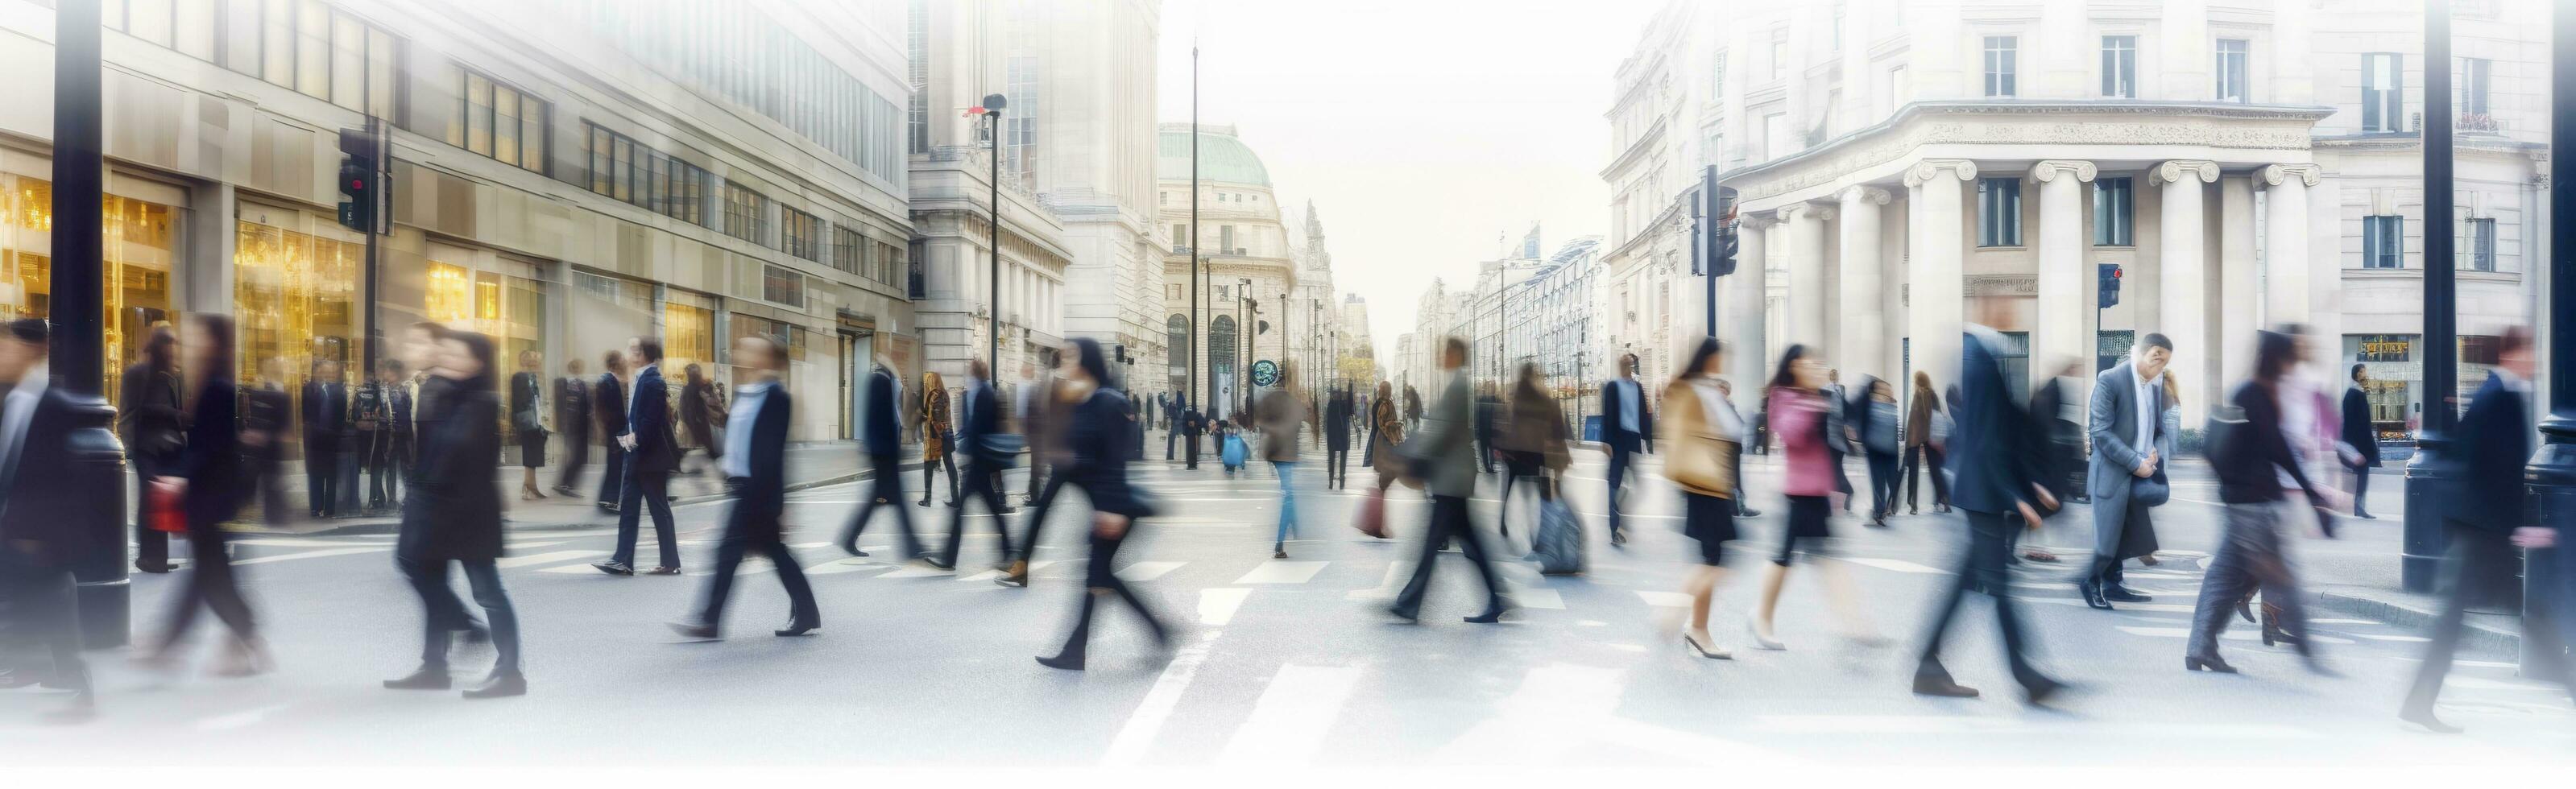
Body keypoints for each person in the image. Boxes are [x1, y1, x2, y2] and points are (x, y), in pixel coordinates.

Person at [2402, 327, 2574, 733]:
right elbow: (2492, 470)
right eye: (2530, 353)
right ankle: (2419, 702)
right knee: (2530, 618)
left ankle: (2418, 702)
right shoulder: (2499, 397)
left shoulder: (2496, 393)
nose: (2534, 362)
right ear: (2514, 353)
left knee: (2504, 618)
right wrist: (2521, 526)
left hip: (2481, 531)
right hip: (2485, 534)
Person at [1912, 312, 2065, 704]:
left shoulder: (1984, 351)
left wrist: (2028, 481)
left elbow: (2002, 429)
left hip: (1984, 488)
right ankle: (2027, 677)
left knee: (1967, 581)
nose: (2010, 306)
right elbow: (1983, 437)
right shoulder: (1977, 355)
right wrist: (2015, 493)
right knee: (1999, 587)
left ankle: (1929, 665)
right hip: (1984, 489)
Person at [2186, 328, 2346, 677]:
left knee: (2223, 575)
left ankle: (2201, 646)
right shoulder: (2258, 394)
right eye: (2288, 359)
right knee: (2282, 575)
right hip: (2256, 503)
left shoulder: (2247, 391)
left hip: (2240, 500)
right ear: (2278, 359)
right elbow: (2278, 449)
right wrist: (2312, 492)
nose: (2292, 366)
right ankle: (2308, 650)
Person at [383, 327, 525, 700]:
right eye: (447, 354)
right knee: (433, 580)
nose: (448, 360)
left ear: (477, 363)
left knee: (488, 592)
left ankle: (510, 672)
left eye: (457, 356)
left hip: (470, 513)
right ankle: (434, 667)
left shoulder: (479, 399)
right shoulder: (444, 392)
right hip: (441, 511)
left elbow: (454, 449)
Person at [140, 314, 271, 678]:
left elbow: (212, 446)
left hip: (210, 497)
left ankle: (175, 645)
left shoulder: (218, 388)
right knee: (210, 576)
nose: (192, 344)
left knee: (209, 577)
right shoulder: (213, 385)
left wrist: (181, 476)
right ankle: (242, 640)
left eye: (199, 337)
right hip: (211, 496)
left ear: (215, 342)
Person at [671, 334, 820, 640]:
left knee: (728, 554)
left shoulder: (777, 397)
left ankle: (709, 621)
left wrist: (777, 503)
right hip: (741, 485)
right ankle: (806, 612)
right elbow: (739, 438)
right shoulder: (745, 393)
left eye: (751, 350)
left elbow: (774, 453)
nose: (742, 352)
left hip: (759, 490)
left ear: (767, 358)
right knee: (775, 554)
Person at [1035, 338, 1169, 671]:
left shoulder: (1108, 401)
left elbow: (1115, 459)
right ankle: (1080, 649)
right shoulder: (1087, 399)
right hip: (1103, 505)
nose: (1064, 362)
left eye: (1070, 356)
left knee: (1099, 575)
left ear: (1086, 361)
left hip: (1114, 506)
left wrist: (1110, 509)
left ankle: (1156, 630)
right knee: (1098, 576)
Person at [0, 319, 100, 721]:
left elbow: (63, 478)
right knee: (33, 602)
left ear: (31, 350)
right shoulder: (12, 400)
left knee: (54, 609)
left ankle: (83, 691)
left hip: (40, 534)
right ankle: (35, 664)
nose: (2, 355)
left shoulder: (55, 405)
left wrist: (41, 535)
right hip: (15, 528)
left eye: (6, 347)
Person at [1749, 345, 1877, 650]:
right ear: (1794, 367)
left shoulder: (1822, 398)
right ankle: (1762, 617)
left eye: (1817, 365)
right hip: (1797, 491)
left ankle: (1854, 624)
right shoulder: (1783, 396)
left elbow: (1840, 434)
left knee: (1827, 559)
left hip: (1818, 489)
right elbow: (1791, 434)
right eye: (1809, 365)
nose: (1815, 370)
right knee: (1783, 559)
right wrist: (1814, 406)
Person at [1389, 337, 1508, 625]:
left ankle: (1410, 603)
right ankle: (1497, 598)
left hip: (1452, 478)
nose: (1441, 356)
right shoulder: (1457, 384)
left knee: (1432, 544)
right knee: (1462, 542)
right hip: (1453, 478)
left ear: (1456, 355)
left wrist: (1412, 456)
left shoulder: (1458, 386)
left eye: (1446, 352)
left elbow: (1443, 433)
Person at [2080, 333, 2173, 610]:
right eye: (2160, 359)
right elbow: (2100, 433)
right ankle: (2090, 581)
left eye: (2165, 362)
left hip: (2138, 472)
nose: (2162, 367)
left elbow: (2156, 430)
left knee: (2126, 532)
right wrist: (2135, 461)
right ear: (2149, 354)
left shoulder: (2153, 387)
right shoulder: (2110, 379)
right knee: (2107, 538)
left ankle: (2113, 584)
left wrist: (2153, 451)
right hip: (2112, 473)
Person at [1661, 338, 1738, 660]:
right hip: (1704, 483)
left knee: (1714, 557)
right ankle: (1683, 619)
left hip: (1710, 484)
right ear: (1710, 359)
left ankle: (1696, 627)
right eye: (1721, 357)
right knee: (1717, 559)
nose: (1724, 363)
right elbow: (1728, 430)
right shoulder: (1696, 390)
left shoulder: (1702, 388)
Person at [594, 337, 681, 576]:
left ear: (644, 355)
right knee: (629, 509)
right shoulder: (641, 377)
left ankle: (670, 562)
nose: (629, 353)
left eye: (634, 349)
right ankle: (623, 560)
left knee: (659, 509)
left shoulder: (653, 380)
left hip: (650, 458)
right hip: (638, 456)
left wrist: (633, 439)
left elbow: (651, 422)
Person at [839, 360, 923, 560]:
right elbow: (882, 420)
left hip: (882, 451)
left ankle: (850, 538)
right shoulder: (881, 381)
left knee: (881, 500)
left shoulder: (880, 380)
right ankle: (912, 547)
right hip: (884, 453)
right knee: (891, 500)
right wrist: (892, 449)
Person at [938, 359, 1016, 573]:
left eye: (970, 372)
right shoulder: (985, 393)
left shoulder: (984, 394)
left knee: (964, 511)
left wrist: (965, 448)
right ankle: (1008, 553)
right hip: (982, 462)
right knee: (991, 511)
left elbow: (979, 428)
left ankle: (948, 558)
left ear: (976, 373)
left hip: (980, 462)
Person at [123, 327, 186, 572]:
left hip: (166, 449)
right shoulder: (137, 373)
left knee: (162, 501)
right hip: (146, 448)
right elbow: (130, 411)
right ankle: (148, 556)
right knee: (149, 502)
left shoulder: (169, 377)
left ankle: (159, 557)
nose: (173, 349)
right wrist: (131, 446)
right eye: (169, 343)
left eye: (175, 343)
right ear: (158, 346)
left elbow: (173, 413)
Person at [2020, 361, 2087, 564]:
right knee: (2047, 505)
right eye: (2076, 368)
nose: (2079, 372)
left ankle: (2035, 546)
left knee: (2046, 506)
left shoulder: (2051, 389)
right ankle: (2036, 547)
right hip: (2049, 459)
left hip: (2048, 458)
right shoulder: (2053, 389)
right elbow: (2047, 423)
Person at [1496, 364, 1570, 542]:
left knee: (1509, 488)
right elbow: (1552, 423)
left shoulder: (1518, 395)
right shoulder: (1541, 397)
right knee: (1539, 492)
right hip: (1536, 451)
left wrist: (1505, 447)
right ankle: (1539, 533)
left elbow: (1512, 424)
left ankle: (1503, 521)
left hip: (1517, 451)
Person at [1599, 353, 1655, 546]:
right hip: (1618, 440)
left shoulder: (1638, 387)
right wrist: (1606, 442)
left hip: (1633, 439)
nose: (1626, 366)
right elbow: (1607, 416)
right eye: (1623, 363)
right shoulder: (1613, 386)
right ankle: (1614, 528)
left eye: (1628, 364)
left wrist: (1648, 440)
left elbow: (1644, 414)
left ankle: (1621, 513)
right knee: (1614, 483)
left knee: (1637, 484)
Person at [1257, 362, 1307, 559]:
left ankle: (1295, 526)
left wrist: (1271, 431)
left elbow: (1259, 421)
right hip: (1285, 454)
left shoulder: (1269, 398)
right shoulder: (1290, 401)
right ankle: (1279, 543)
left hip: (1276, 454)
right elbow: (1296, 424)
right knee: (1289, 497)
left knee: (1289, 492)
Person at [244, 357, 294, 526]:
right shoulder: (262, 392)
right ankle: (273, 515)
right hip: (266, 447)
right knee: (269, 482)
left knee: (272, 482)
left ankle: (274, 515)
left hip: (272, 447)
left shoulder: (281, 394)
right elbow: (258, 418)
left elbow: (284, 425)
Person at [1902, 372, 1950, 514]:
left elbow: (1914, 421)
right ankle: (1943, 498)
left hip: (1919, 437)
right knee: (1935, 470)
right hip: (1932, 437)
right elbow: (1938, 416)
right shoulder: (1933, 394)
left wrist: (1910, 440)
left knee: (1913, 471)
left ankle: (1913, 504)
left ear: (1918, 381)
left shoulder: (1919, 394)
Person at [2341, 364, 2381, 519]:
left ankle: (2358, 505)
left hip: (2356, 442)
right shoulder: (2355, 394)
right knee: (2362, 473)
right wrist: (2359, 445)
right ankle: (2358, 505)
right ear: (2358, 374)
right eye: (2364, 371)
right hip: (2358, 443)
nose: (2366, 374)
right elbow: (2358, 421)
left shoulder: (2354, 393)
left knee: (2360, 473)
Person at [1860, 378, 1900, 527]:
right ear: (1875, 390)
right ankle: (1879, 512)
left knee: (1893, 482)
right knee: (1878, 483)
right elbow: (1863, 423)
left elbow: (1896, 430)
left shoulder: (1893, 405)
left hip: (1891, 452)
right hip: (1875, 450)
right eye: (1881, 389)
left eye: (1887, 389)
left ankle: (1886, 509)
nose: (1885, 391)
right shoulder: (1869, 405)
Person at [592, 350, 628, 512]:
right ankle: (607, 501)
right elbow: (600, 408)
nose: (625, 362)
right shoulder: (606, 381)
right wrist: (602, 429)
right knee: (614, 466)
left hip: (616, 429)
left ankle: (609, 500)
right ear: (615, 363)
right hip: (614, 429)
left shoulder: (611, 380)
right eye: (622, 360)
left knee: (616, 466)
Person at [510, 350, 548, 501]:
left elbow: (541, 397)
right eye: (530, 359)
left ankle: (530, 485)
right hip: (527, 420)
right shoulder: (518, 377)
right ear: (523, 361)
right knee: (530, 453)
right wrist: (517, 423)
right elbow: (517, 401)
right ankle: (529, 486)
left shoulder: (537, 376)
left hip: (539, 420)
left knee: (535, 454)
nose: (534, 362)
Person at [917, 370, 959, 507]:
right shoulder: (944, 393)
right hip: (946, 435)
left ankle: (927, 499)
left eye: (927, 381)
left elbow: (936, 417)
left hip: (937, 438)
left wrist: (935, 434)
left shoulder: (936, 395)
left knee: (928, 467)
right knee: (949, 466)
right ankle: (956, 498)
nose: (926, 384)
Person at [677, 362, 720, 496]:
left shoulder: (695, 387)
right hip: (698, 420)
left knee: (702, 443)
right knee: (703, 443)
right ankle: (713, 460)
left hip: (698, 420)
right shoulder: (695, 387)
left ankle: (713, 460)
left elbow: (686, 406)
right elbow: (686, 406)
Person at [1366, 379, 1410, 504]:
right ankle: (1380, 495)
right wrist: (1393, 428)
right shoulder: (1388, 404)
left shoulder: (1376, 404)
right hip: (1386, 438)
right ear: (1389, 391)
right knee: (1388, 467)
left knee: (1381, 468)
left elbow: (1376, 423)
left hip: (1377, 439)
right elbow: (1385, 423)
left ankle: (1379, 495)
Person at [553, 357, 590, 497]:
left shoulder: (579, 383)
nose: (578, 369)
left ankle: (564, 483)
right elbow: (569, 408)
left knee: (574, 457)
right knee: (577, 457)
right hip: (575, 427)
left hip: (578, 427)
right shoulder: (572, 384)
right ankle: (566, 484)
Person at [1323, 386, 1354, 490]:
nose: (1335, 396)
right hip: (1336, 435)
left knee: (1340, 458)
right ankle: (1332, 480)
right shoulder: (1332, 405)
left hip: (1340, 435)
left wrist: (1350, 390)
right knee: (1332, 458)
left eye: (1337, 394)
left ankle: (1341, 479)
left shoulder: (1341, 405)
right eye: (1334, 394)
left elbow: (1351, 411)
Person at [1472, 383, 1499, 475]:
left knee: (1485, 449)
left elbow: (1478, 417)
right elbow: (1491, 416)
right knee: (1489, 448)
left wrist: (1477, 430)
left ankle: (1488, 466)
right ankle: (1490, 465)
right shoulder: (1490, 401)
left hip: (1483, 430)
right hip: (1487, 430)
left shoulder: (1481, 401)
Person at [1179, 399, 1205, 470]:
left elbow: (1184, 423)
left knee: (1191, 448)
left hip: (1191, 433)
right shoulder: (1195, 415)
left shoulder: (1188, 414)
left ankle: (1191, 463)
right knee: (1192, 448)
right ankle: (1192, 463)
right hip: (1193, 433)